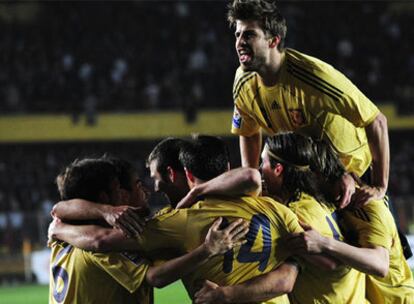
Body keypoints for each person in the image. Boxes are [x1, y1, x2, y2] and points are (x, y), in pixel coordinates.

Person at [50, 136, 306, 304]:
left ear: (182, 173)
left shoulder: (176, 223)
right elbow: (287, 278)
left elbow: (103, 242)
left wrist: (57, 228)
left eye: (149, 180)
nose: (151, 189)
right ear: (227, 166)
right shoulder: (276, 209)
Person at [227, 0, 389, 209]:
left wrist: (378, 186)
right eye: (237, 35)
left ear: (273, 40)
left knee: (372, 240)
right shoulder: (243, 81)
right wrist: (252, 188)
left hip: (353, 176)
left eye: (249, 34)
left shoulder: (313, 76)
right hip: (308, 178)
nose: (240, 41)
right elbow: (248, 132)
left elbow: (376, 120)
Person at [180, 133, 365, 304]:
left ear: (278, 169)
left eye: (263, 163)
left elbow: (329, 263)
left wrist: (224, 294)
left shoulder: (292, 213)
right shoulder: (315, 197)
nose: (260, 169)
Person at [49, 156, 248, 304]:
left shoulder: (64, 234)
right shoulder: (104, 249)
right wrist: (208, 249)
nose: (147, 190)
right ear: (108, 197)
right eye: (134, 185)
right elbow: (156, 277)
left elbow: (59, 209)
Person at [286, 140, 414, 304]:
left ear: (318, 174)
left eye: (306, 173)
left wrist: (324, 243)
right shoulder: (335, 200)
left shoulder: (367, 205)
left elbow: (380, 264)